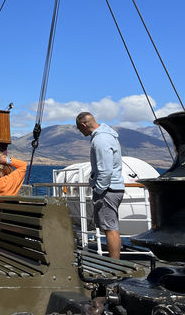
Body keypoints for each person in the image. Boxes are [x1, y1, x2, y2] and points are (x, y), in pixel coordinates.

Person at [76, 111, 124, 259]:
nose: (79, 131)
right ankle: (114, 264)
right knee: (110, 227)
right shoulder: (107, 137)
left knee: (110, 229)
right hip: (113, 188)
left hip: (108, 190)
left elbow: (105, 169)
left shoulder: (101, 140)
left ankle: (114, 266)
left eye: (79, 127)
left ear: (84, 124)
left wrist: (99, 189)